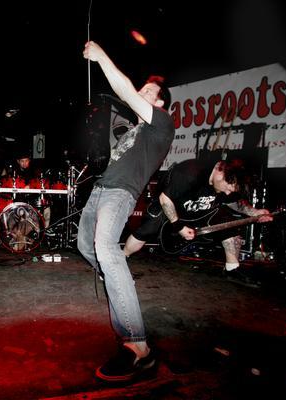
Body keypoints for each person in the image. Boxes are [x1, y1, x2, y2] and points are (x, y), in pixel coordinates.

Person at [77, 41, 175, 382]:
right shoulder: (136, 130)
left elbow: (125, 91)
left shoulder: (162, 123)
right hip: (101, 189)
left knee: (106, 249)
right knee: (86, 247)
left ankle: (138, 347)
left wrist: (102, 56)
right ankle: (118, 279)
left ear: (160, 103)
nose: (140, 93)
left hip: (120, 194)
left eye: (148, 91)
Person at [123, 157, 273, 286]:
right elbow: (165, 199)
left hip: (198, 212)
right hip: (171, 208)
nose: (228, 193)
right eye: (228, 188)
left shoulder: (226, 181)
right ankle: (121, 258)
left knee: (227, 222)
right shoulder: (190, 172)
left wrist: (255, 212)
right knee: (150, 227)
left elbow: (233, 202)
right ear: (220, 172)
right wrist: (178, 226)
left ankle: (232, 268)